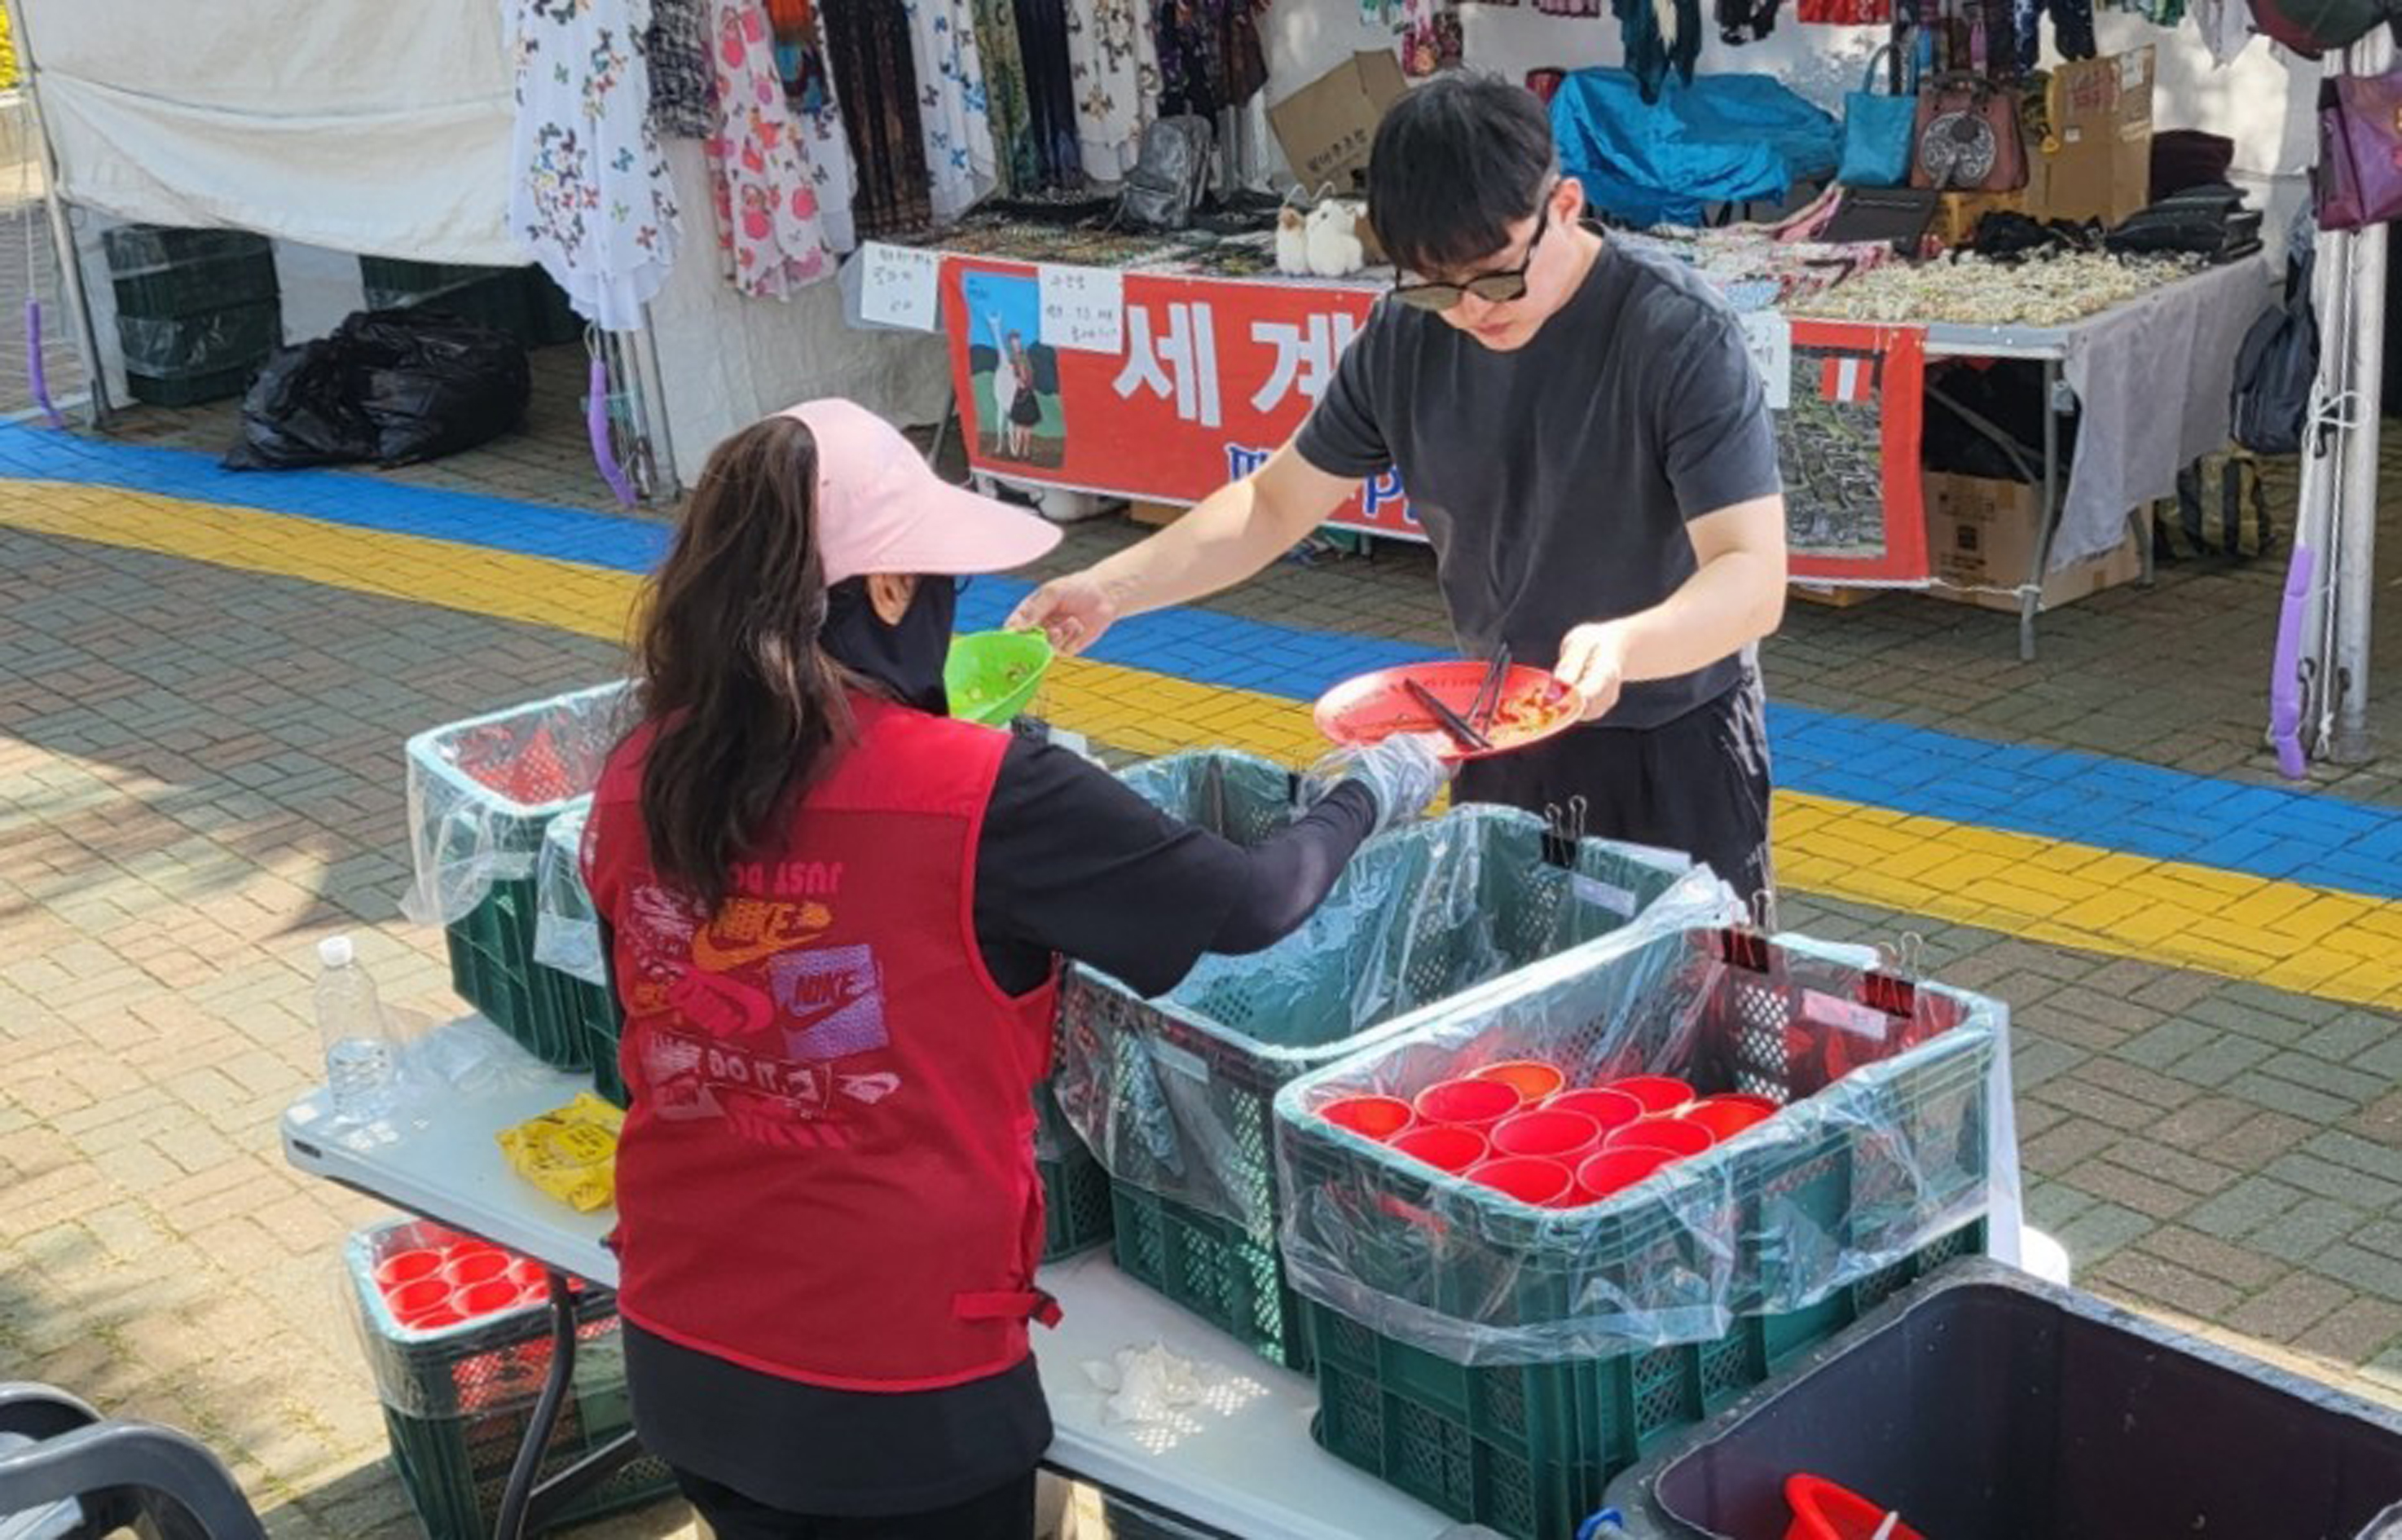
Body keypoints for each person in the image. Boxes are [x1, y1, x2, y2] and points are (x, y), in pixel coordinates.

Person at [580, 400, 1449, 1540]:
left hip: (682, 1350)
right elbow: (1253, 903)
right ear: (887, 590)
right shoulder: (975, 789)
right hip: (895, 1391)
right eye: (941, 578)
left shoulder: (642, 767)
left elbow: (656, 1021)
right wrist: (1368, 790)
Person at [1010, 74, 1789, 918]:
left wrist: (1627, 646)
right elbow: (1273, 505)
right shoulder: (1405, 333)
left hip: (1672, 739)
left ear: (1563, 205)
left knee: (1694, 1005)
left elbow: (1751, 575)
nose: (1465, 313)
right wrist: (1109, 589)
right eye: (1429, 283)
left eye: (1493, 278)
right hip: (1496, 728)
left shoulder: (1674, 331)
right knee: (1511, 984)